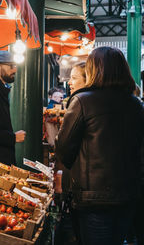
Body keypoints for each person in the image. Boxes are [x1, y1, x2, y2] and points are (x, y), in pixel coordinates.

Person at [55, 47, 144, 245]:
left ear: (95, 70)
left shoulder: (82, 101)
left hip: (93, 200)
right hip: (128, 196)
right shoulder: (136, 104)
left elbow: (63, 150)